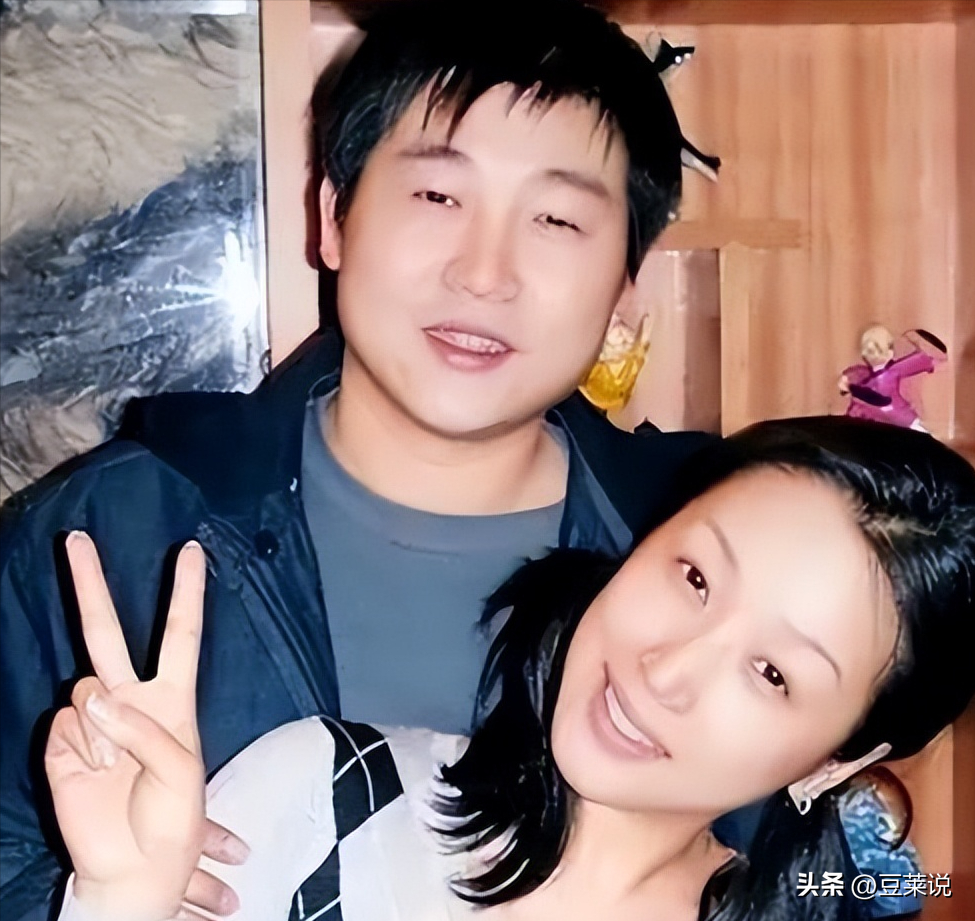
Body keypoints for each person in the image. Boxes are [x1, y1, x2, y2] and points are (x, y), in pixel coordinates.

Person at [0, 2, 712, 917]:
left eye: (556, 219)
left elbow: (823, 873)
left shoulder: (705, 570)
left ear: (625, 281)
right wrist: (100, 896)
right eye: (437, 198)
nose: (483, 273)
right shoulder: (115, 535)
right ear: (333, 216)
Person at [45, 417, 975, 920]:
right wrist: (118, 900)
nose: (666, 669)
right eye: (693, 575)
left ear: (838, 760)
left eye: (770, 672)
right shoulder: (325, 801)